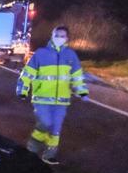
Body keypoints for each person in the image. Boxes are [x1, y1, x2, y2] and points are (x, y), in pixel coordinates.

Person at [17, 25, 90, 165]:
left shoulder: (70, 55)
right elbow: (27, 74)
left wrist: (82, 92)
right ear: (52, 36)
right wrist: (22, 90)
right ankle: (32, 149)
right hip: (42, 99)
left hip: (61, 101)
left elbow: (77, 76)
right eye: (57, 35)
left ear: (67, 38)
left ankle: (49, 155)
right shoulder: (41, 53)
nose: (60, 38)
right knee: (45, 123)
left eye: (63, 36)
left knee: (56, 129)